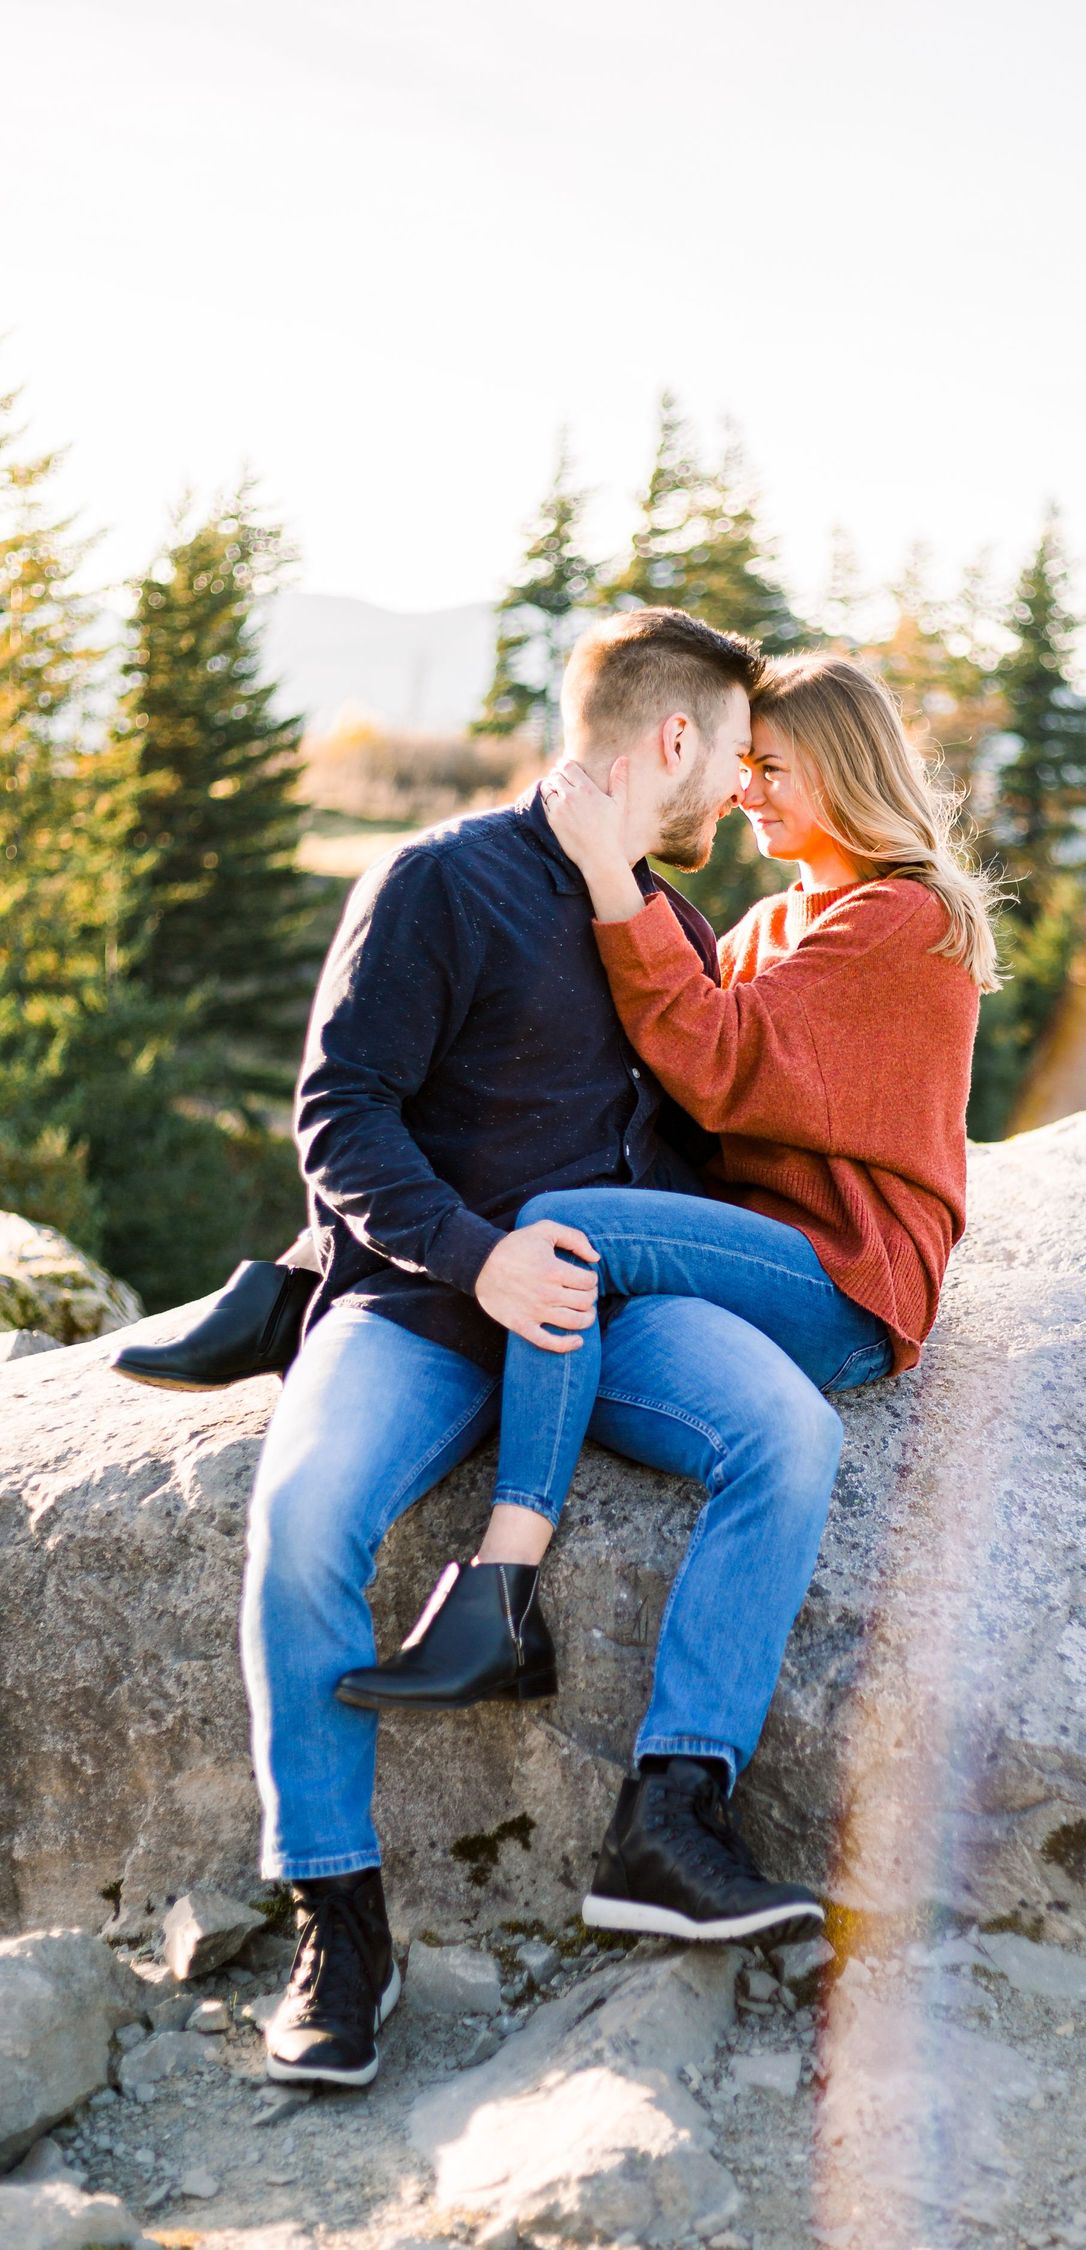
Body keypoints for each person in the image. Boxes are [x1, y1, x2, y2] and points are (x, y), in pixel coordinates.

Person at [224, 609, 856, 2090]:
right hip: (425, 1309)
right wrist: (477, 1255)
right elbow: (340, 1115)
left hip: (608, 1324)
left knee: (788, 1433)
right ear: (673, 738)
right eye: (733, 756)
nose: (739, 795)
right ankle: (339, 1922)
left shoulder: (666, 925)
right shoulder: (440, 880)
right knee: (303, 1519)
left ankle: (674, 1814)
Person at [340, 656, 999, 1977]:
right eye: (742, 767)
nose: (747, 792)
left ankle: (501, 1584)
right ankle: (670, 1819)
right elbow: (678, 1063)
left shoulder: (901, 918)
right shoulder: (777, 921)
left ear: (845, 773)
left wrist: (606, 878)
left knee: (560, 1228)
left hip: (841, 1275)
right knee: (762, 1425)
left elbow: (717, 1062)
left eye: (774, 770)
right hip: (737, 1274)